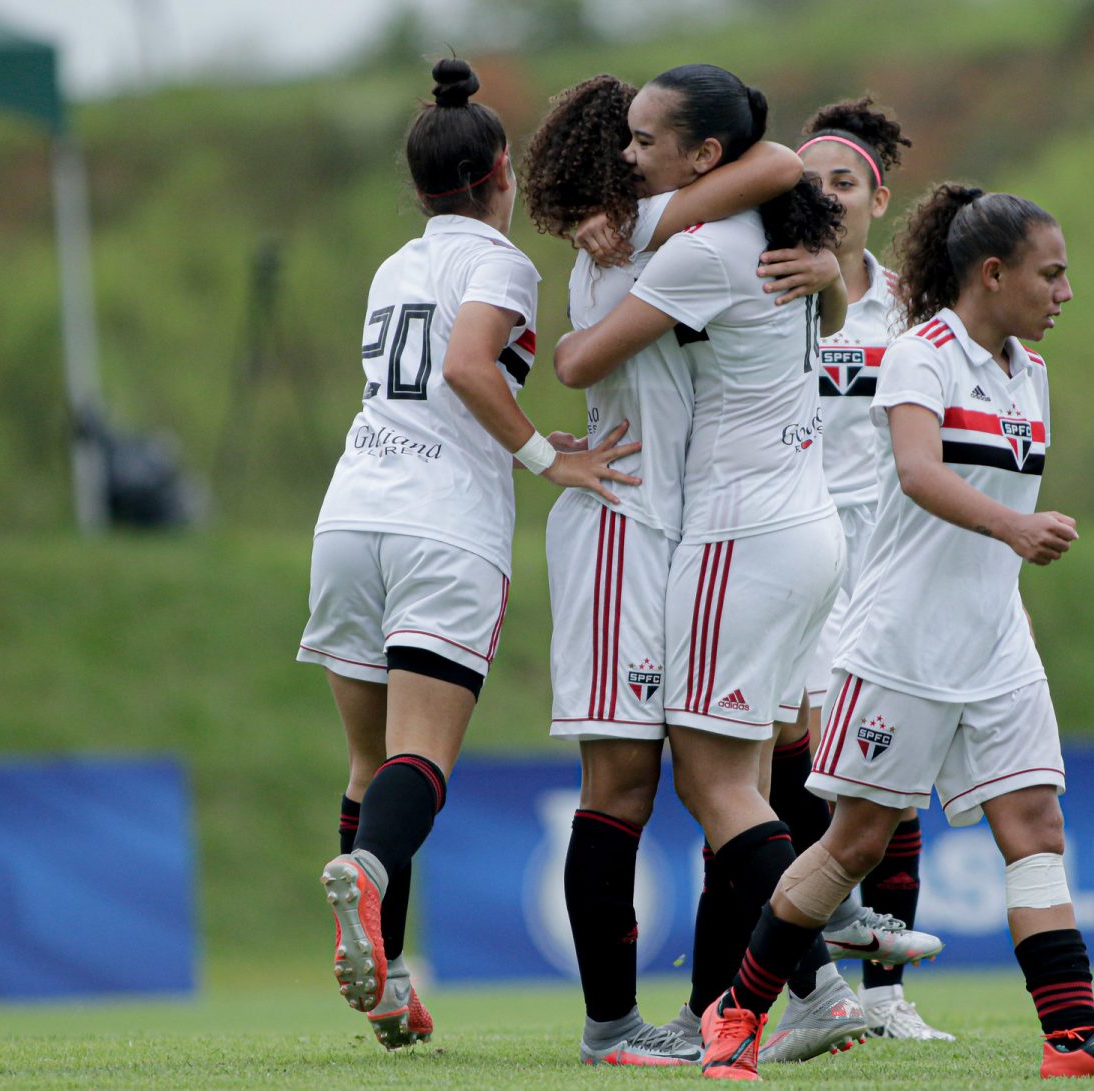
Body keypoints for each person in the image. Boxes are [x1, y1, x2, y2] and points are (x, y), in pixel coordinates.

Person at [698, 186, 1094, 1081]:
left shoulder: (1030, 374)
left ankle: (1074, 1038)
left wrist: (1009, 570)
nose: (1066, 292)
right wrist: (1014, 531)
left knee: (1036, 826)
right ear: (993, 274)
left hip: (997, 643)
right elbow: (918, 473)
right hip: (899, 643)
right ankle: (737, 1012)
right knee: (854, 841)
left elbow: (993, 503)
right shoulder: (918, 355)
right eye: (1052, 273)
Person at [297, 58, 639, 1049]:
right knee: (421, 760)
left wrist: (538, 435)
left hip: (350, 513)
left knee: (369, 762)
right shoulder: (500, 264)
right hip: (443, 525)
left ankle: (392, 983)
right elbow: (466, 362)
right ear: (501, 172)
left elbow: (441, 369)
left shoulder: (394, 266)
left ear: (419, 184)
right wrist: (545, 457)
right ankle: (366, 875)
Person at [553, 63, 869, 1072]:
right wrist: (826, 275)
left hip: (738, 532)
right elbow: (795, 225)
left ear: (705, 157)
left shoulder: (693, 252)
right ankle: (761, 991)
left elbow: (577, 361)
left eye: (648, 141)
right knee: (747, 775)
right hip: (801, 524)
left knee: (714, 782)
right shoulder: (783, 236)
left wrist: (588, 279)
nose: (630, 158)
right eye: (626, 140)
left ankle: (802, 981)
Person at [775, 95, 952, 1042]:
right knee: (800, 775)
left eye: (844, 183)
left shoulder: (913, 310)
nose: (827, 199)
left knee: (891, 773)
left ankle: (884, 998)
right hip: (791, 545)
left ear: (878, 199)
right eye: (809, 184)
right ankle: (807, 987)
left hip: (886, 559)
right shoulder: (766, 288)